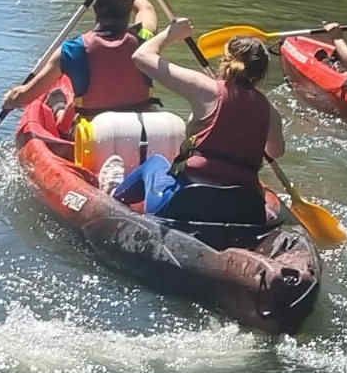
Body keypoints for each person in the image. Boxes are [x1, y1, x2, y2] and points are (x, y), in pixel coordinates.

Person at [110, 19, 285, 242]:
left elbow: (141, 57)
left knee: (155, 163)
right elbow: (276, 151)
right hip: (245, 211)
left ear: (225, 61)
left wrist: (170, 34)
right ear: (261, 73)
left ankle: (113, 197)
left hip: (186, 206)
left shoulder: (207, 89)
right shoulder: (270, 111)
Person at [1, 0, 165, 119]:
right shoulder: (145, 40)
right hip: (142, 129)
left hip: (95, 137)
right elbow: (146, 8)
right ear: (129, 9)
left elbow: (25, 97)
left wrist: (11, 98)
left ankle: (58, 106)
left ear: (95, 9)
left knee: (57, 101)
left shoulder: (72, 49)